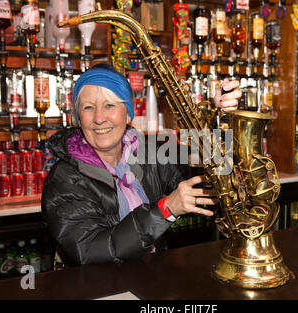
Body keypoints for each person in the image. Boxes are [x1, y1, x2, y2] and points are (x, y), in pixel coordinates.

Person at [41, 64, 242, 266]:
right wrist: (165, 209)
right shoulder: (64, 178)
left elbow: (211, 185)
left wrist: (220, 121)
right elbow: (89, 250)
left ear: (128, 114)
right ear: (78, 118)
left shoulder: (149, 156)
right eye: (88, 107)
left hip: (149, 281)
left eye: (109, 105)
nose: (99, 118)